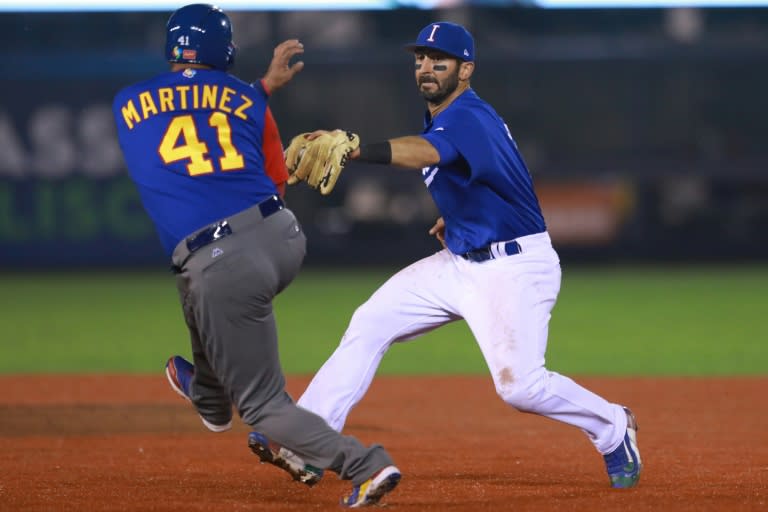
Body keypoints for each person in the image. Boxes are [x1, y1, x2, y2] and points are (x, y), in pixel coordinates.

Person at [254, 21, 643, 489]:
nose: (426, 68)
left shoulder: (467, 116)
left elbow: (426, 153)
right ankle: (310, 441)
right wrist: (459, 217)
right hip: (462, 260)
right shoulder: (447, 117)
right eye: (420, 58)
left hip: (514, 267)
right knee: (371, 321)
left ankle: (613, 427)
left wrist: (358, 149)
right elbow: (482, 176)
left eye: (440, 60)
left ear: (466, 69)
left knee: (520, 387)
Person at [111, 4, 401, 507]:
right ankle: (208, 396)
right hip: (281, 236)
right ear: (225, 51)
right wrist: (261, 88)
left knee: (265, 406)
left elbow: (184, 114)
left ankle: (366, 465)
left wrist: (259, 88)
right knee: (196, 279)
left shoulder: (127, 102)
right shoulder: (247, 99)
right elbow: (274, 178)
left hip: (219, 261)